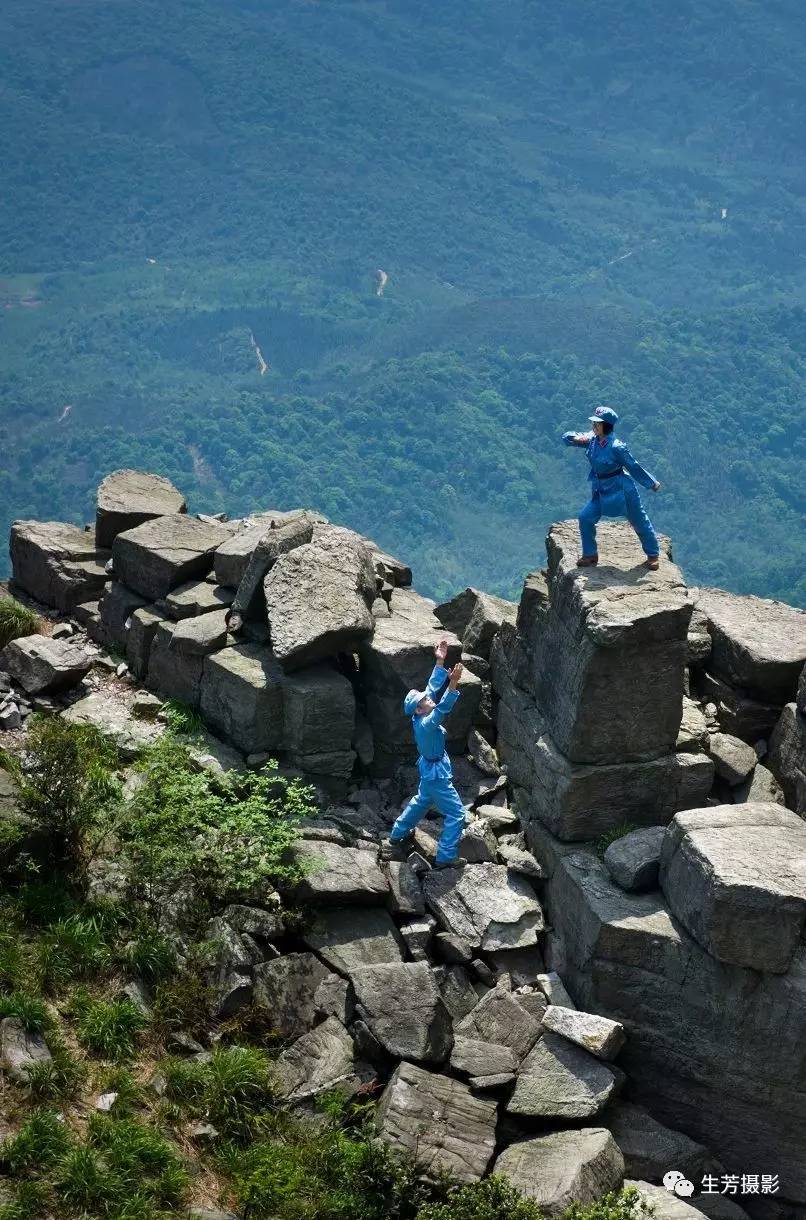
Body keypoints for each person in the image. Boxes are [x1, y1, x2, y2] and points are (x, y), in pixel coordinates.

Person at [382, 639, 467, 871]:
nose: (429, 698)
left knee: (421, 802)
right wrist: (454, 684)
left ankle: (395, 836)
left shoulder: (418, 714)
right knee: (457, 815)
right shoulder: (427, 723)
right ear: (420, 709)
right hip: (436, 774)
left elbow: (431, 686)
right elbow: (443, 709)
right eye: (424, 700)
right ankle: (446, 857)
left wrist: (440, 659)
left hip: (429, 769)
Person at [562, 405, 662, 569]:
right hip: (600, 489)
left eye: (597, 424)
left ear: (605, 426)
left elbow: (633, 466)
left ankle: (653, 556)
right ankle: (590, 555)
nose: (593, 427)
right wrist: (574, 438)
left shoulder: (617, 447)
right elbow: (566, 438)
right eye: (593, 424)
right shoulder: (592, 440)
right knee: (585, 517)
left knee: (639, 520)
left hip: (622, 489)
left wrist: (652, 483)